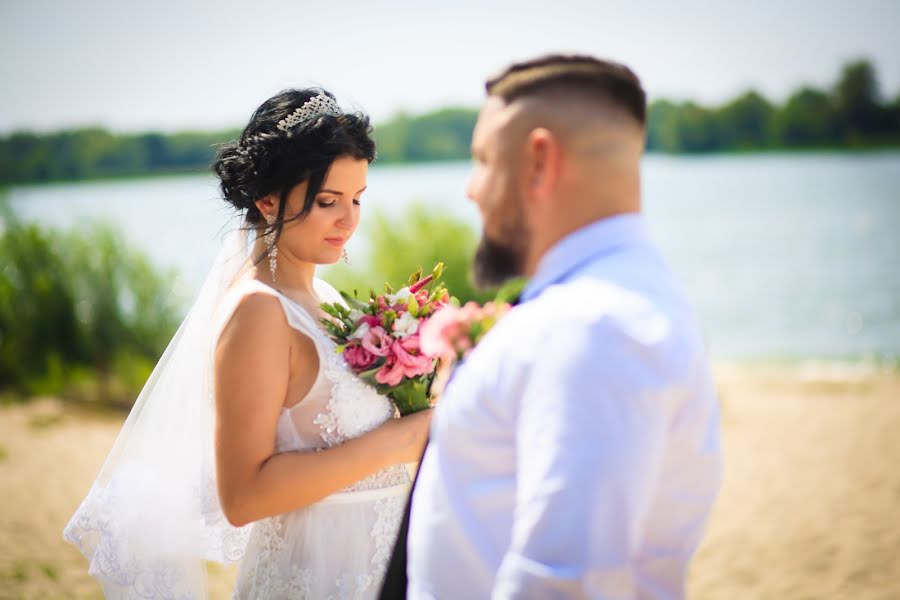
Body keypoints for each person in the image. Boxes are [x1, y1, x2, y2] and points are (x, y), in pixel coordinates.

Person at [64, 88, 431, 599]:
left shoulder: (326, 299)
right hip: (313, 577)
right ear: (267, 200)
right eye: (328, 201)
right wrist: (398, 440)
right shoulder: (258, 311)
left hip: (375, 570)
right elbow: (243, 495)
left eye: (358, 198)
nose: (350, 220)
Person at [393, 55, 723, 599]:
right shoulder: (615, 300)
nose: (471, 190)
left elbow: (566, 584)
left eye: (482, 160)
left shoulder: (592, 329)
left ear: (539, 162)